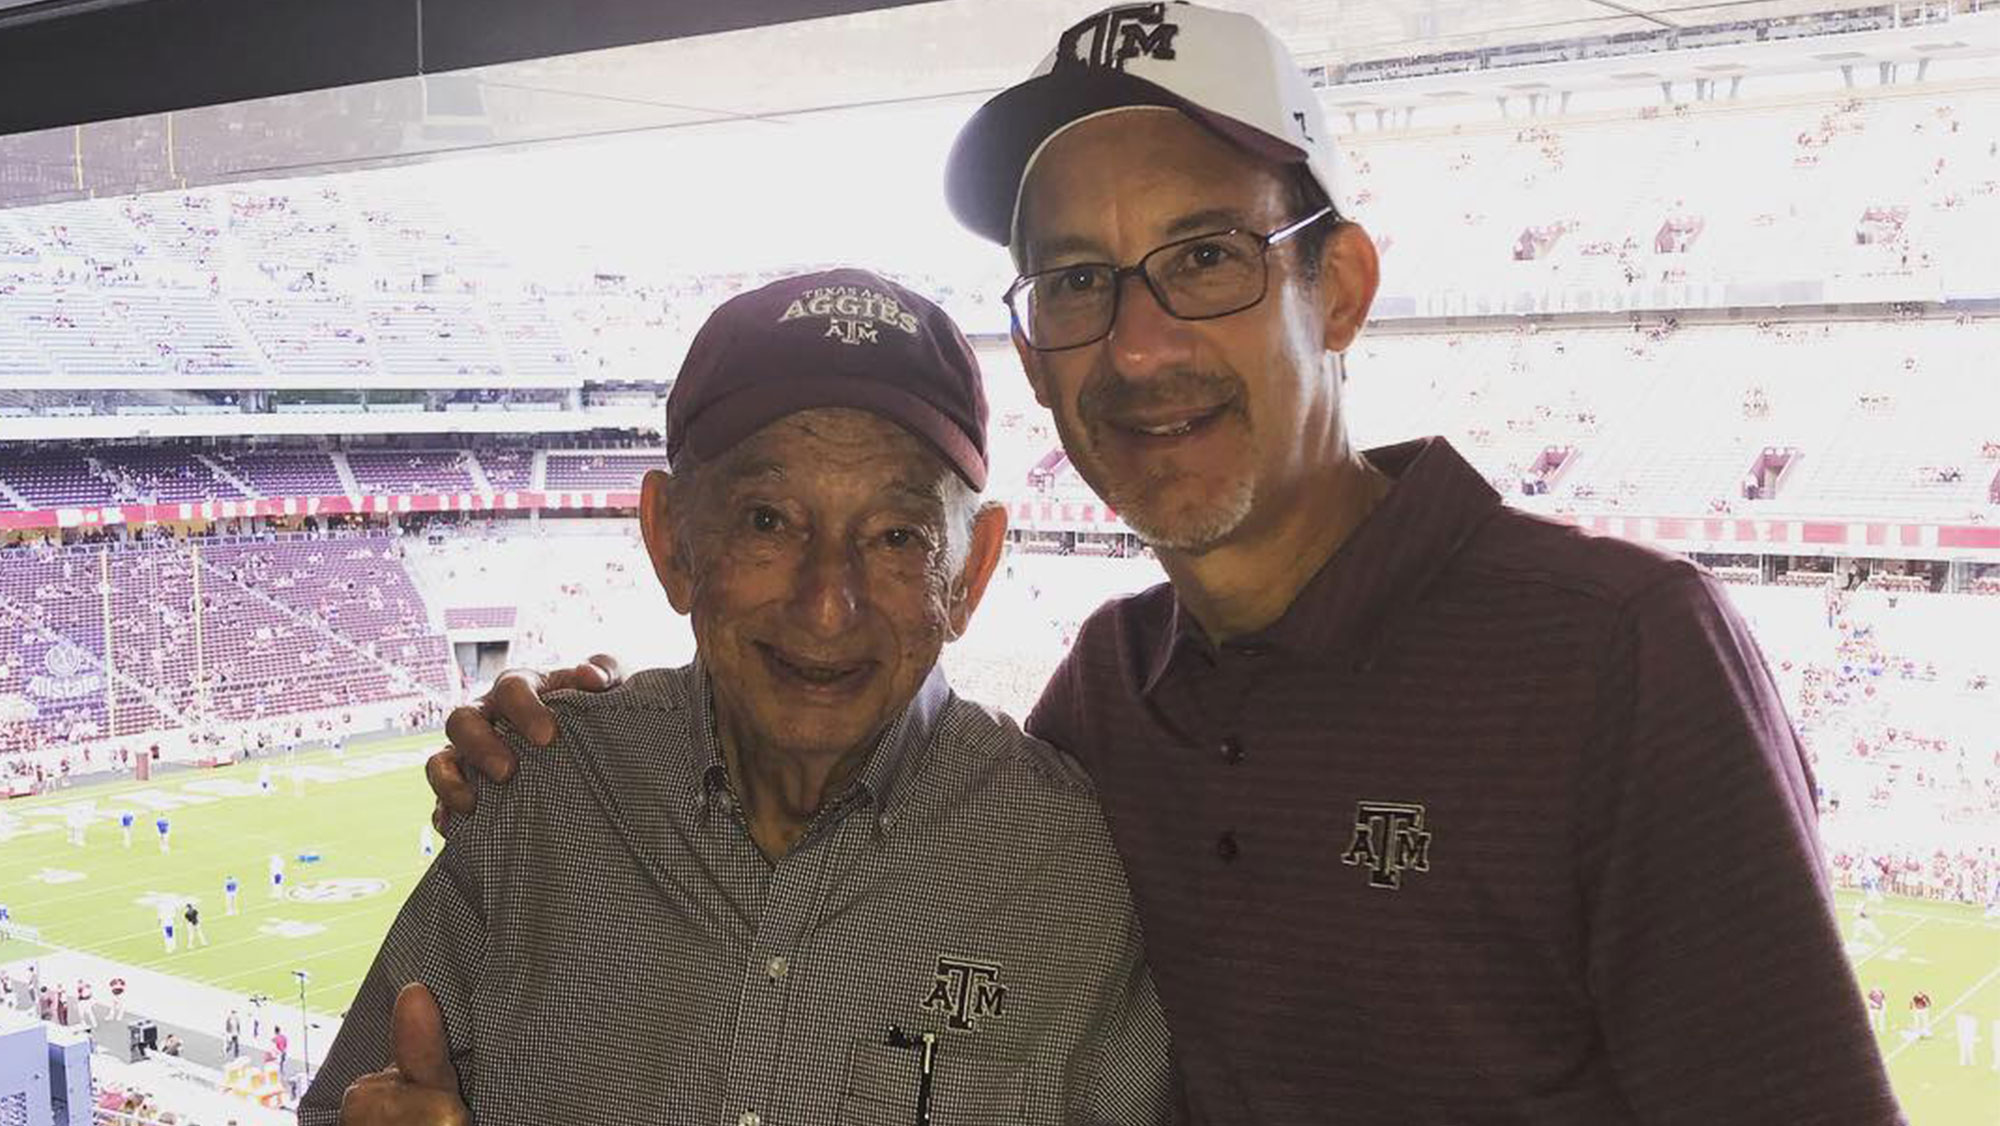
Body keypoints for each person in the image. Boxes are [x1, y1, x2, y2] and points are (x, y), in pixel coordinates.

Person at [423, 6, 1905, 1122]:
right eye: (1077, 281)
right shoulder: (1111, 703)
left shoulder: (1616, 650)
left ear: (1342, 288)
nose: (1136, 347)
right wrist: (579, 736)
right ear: (1035, 352)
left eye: (1206, 258)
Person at [302, 270, 1176, 1126]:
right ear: (672, 541)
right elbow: (347, 1106)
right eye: (767, 521)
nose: (828, 601)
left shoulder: (1076, 872)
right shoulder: (537, 801)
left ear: (972, 572)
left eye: (897, 535)